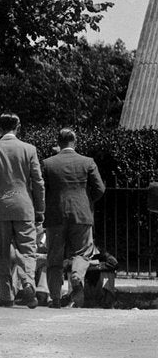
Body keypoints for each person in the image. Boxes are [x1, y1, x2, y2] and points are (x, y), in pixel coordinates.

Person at [0, 113, 45, 309]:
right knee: (27, 250)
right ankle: (28, 284)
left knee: (0, 252)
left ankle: (6, 294)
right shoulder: (29, 149)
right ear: (18, 127)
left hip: (0, 208)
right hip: (24, 206)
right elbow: (38, 182)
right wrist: (40, 209)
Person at [41, 128, 105, 309]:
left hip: (55, 216)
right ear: (74, 142)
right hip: (81, 214)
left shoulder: (48, 163)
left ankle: (54, 297)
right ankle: (76, 275)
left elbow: (40, 189)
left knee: (54, 257)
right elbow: (100, 188)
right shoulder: (88, 162)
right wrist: (86, 200)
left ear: (58, 143)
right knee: (83, 252)